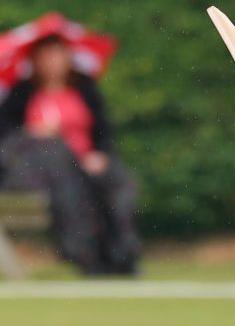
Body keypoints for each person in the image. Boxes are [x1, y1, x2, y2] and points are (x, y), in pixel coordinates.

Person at [0, 35, 139, 275]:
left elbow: (103, 132)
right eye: (46, 56)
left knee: (117, 183)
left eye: (58, 54)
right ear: (35, 60)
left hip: (85, 163)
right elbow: (7, 138)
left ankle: (123, 253)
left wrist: (100, 154)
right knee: (64, 173)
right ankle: (85, 255)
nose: (53, 62)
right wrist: (31, 133)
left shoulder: (85, 88)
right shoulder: (20, 94)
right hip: (41, 171)